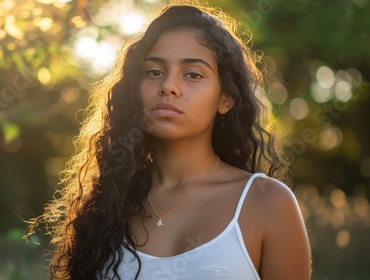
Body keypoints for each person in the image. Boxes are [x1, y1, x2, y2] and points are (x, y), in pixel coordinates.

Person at [25, 3, 311, 280]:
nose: (168, 86)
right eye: (154, 72)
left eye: (193, 75)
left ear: (226, 98)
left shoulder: (266, 202)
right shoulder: (107, 205)